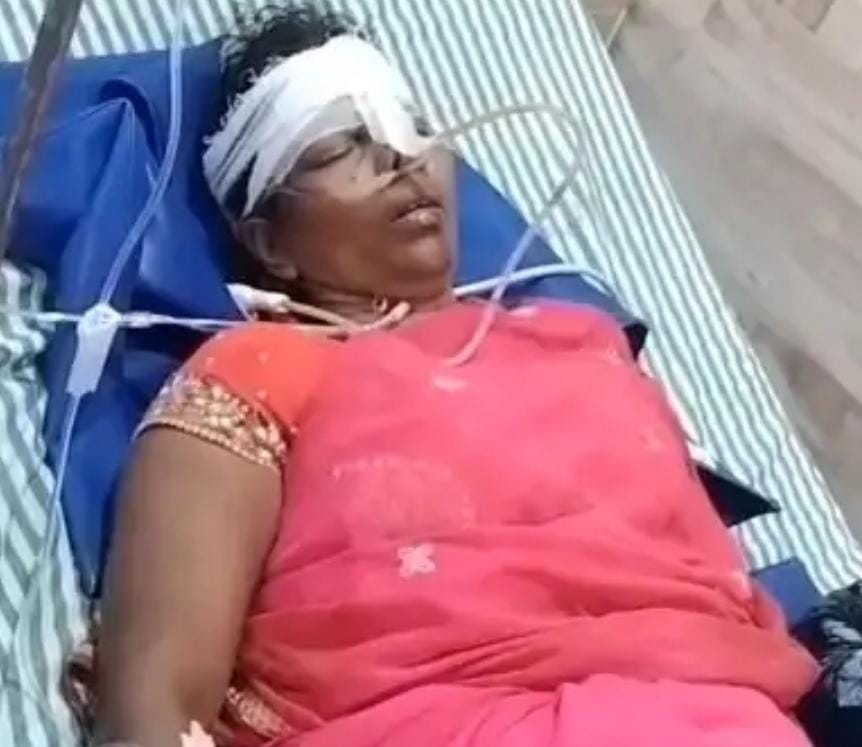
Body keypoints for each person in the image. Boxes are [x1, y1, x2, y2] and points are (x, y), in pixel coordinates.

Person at [92, 4, 818, 746]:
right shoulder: (259, 371)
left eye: (413, 126)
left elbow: (712, 594)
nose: (401, 158)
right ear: (269, 243)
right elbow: (153, 703)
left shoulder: (584, 344)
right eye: (340, 147)